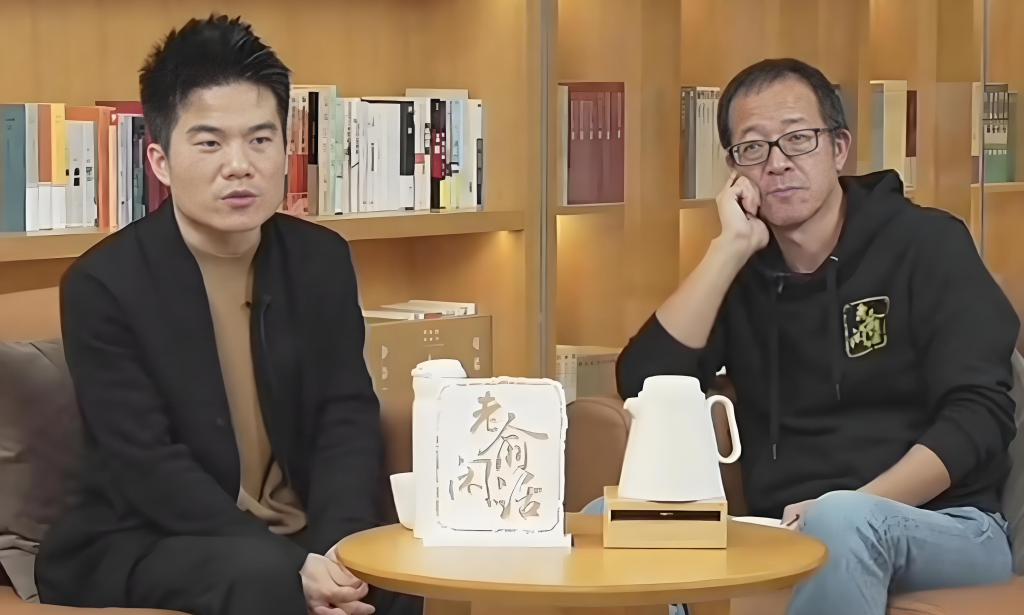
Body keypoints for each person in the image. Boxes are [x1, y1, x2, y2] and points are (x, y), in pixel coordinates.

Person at [35, 15, 418, 615]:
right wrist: (294, 567)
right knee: (265, 580)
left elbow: (344, 414)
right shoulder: (103, 285)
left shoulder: (320, 260)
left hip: (305, 533)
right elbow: (145, 463)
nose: (239, 165)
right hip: (153, 536)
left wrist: (342, 550)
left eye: (260, 140)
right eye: (210, 143)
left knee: (400, 582)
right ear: (160, 161)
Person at [616, 58, 1019, 615]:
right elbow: (645, 387)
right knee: (608, 523)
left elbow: (978, 417)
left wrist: (847, 507)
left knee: (841, 520)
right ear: (734, 171)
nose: (778, 163)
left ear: (838, 148)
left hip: (948, 524)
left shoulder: (927, 244)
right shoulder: (744, 273)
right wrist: (728, 250)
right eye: (753, 148)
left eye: (798, 139)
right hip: (782, 526)